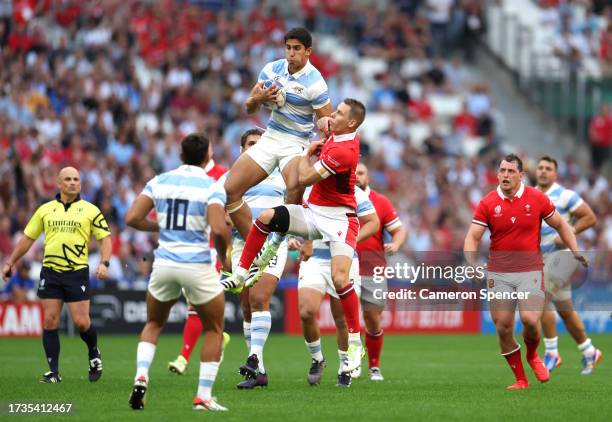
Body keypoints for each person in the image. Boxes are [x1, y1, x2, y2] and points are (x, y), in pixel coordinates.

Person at [223, 98, 367, 374]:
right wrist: (324, 125)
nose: (332, 115)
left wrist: (306, 153)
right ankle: (242, 272)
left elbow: (303, 179)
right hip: (314, 213)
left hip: (340, 219)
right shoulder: (341, 133)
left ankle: (354, 341)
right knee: (267, 217)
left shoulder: (345, 151)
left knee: (340, 278)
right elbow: (325, 121)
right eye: (334, 110)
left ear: (351, 123)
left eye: (338, 113)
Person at [464, 154, 588, 390]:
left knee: (531, 320)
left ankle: (532, 355)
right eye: (502, 171)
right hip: (499, 273)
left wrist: (575, 250)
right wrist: (471, 263)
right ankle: (521, 379)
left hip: (530, 269)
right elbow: (472, 236)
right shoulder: (488, 202)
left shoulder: (537, 198)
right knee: (503, 327)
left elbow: (561, 224)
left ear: (521, 175)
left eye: (511, 172)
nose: (506, 176)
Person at [125, 134, 230, 411]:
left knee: (153, 324)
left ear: (180, 155)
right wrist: (225, 259)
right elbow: (219, 229)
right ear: (208, 156)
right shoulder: (212, 185)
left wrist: (161, 228)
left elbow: (132, 218)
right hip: (196, 263)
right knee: (214, 329)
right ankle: (203, 397)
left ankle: (141, 376)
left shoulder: (159, 181)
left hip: (164, 264)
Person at [1, 167, 112, 384]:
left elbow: (105, 238)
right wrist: (11, 261)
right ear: (59, 184)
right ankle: (53, 372)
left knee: (81, 322)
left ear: (80, 184)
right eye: (68, 179)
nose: (72, 183)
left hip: (76, 272)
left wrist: (104, 262)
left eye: (76, 179)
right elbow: (27, 238)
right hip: (50, 271)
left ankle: (93, 353)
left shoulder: (90, 210)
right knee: (50, 320)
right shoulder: (45, 210)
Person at [223, 27, 333, 241]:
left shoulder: (316, 83)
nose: (291, 53)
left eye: (297, 48)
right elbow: (249, 108)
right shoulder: (272, 69)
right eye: (288, 48)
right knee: (230, 190)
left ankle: (276, 244)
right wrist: (258, 98)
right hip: (271, 136)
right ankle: (256, 249)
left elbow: (327, 126)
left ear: (308, 51)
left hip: (296, 142)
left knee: (294, 188)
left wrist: (323, 140)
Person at [298, 185, 379, 387]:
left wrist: (349, 240)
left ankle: (345, 368)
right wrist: (295, 239)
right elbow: (297, 218)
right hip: (315, 259)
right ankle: (317, 359)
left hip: (344, 260)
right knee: (307, 311)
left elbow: (373, 222)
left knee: (341, 319)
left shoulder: (353, 192)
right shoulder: (309, 190)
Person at [535, 156, 602, 375]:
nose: (543, 171)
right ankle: (589, 349)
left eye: (548, 168)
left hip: (562, 255)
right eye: (541, 168)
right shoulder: (531, 195)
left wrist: (569, 232)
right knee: (565, 310)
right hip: (540, 258)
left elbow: (590, 217)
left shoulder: (565, 195)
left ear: (555, 174)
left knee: (539, 294)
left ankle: (552, 351)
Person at [168, 140, 229, 376]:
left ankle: (183, 358)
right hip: (185, 247)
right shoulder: (180, 177)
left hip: (212, 248)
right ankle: (218, 335)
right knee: (199, 304)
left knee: (195, 303)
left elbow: (230, 208)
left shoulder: (223, 175)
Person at [354, 162, 407, 381]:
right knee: (348, 319)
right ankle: (351, 363)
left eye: (361, 173)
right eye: (353, 172)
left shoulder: (380, 202)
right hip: (345, 267)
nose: (356, 176)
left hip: (373, 270)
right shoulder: (337, 198)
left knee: (373, 319)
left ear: (368, 177)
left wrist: (395, 244)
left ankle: (374, 366)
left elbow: (399, 230)